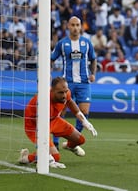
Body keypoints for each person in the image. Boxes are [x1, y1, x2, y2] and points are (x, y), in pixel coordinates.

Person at [18, 77, 98, 168]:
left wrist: (84, 121)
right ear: (52, 91)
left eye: (66, 91)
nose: (64, 95)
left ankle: (69, 146)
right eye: (60, 92)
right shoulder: (42, 101)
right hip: (34, 126)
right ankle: (25, 158)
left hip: (54, 120)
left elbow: (70, 102)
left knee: (80, 140)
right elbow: (41, 127)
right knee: (55, 156)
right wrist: (48, 156)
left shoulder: (65, 93)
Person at [51, 16, 97, 148]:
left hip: (84, 82)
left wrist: (93, 74)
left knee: (84, 111)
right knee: (61, 112)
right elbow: (52, 59)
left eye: (78, 25)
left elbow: (93, 59)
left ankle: (72, 142)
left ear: (81, 27)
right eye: (73, 25)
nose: (75, 28)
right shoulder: (62, 43)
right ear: (68, 27)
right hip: (67, 83)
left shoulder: (87, 43)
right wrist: (47, 73)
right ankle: (55, 141)